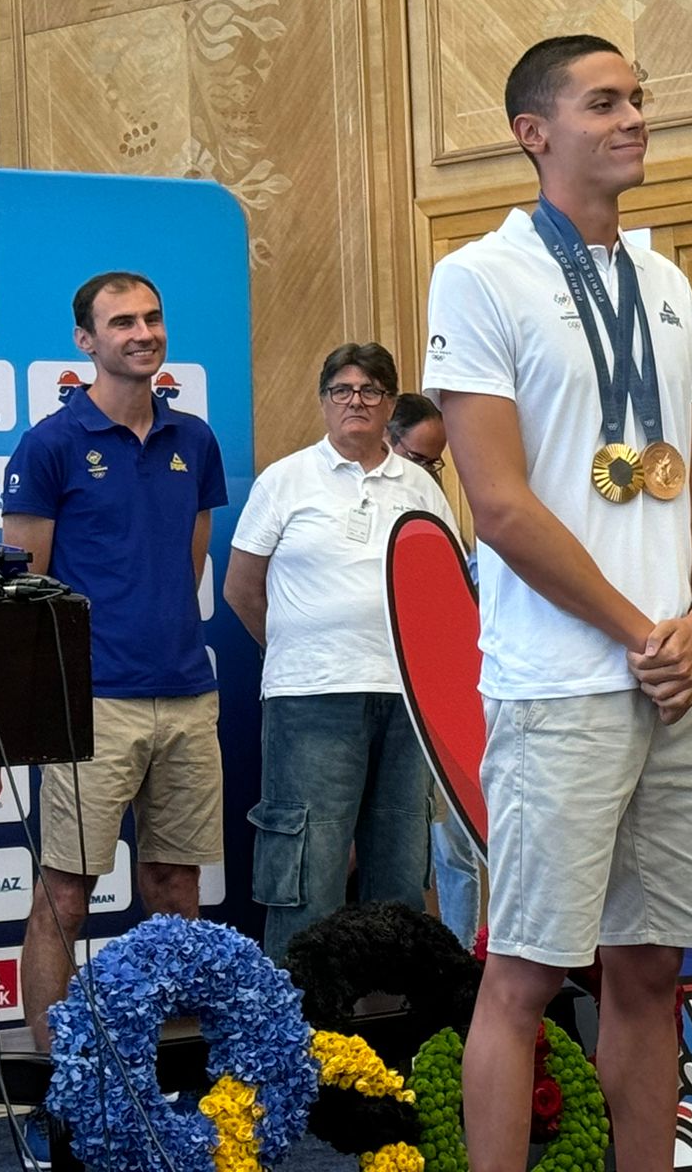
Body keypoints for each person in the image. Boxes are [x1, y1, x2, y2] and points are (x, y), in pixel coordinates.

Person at [424, 34, 692, 1172]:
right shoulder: (479, 276)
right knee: (526, 973)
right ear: (534, 133)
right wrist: (640, 631)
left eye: (638, 99)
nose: (634, 118)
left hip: (684, 679)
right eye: (603, 103)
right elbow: (500, 506)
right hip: (562, 683)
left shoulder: (665, 281)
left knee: (652, 970)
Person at [2, 272, 227, 1162]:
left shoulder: (194, 439)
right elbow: (26, 589)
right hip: (91, 703)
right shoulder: (50, 444)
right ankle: (58, 1093)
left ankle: (166, 1081)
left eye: (153, 317)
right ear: (85, 341)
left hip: (188, 692)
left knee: (176, 888)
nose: (143, 333)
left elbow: (188, 562)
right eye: (122, 322)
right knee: (65, 894)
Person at [225, 345, 457, 960]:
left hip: (407, 705)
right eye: (342, 390)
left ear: (390, 404)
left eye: (371, 390)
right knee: (308, 874)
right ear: (324, 401)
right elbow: (241, 588)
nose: (356, 401)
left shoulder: (423, 488)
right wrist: (301, 650)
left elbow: (445, 594)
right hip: (310, 700)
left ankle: (394, 1015)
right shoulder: (285, 480)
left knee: (401, 876)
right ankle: (295, 1017)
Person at [387, 390, 484, 945]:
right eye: (418, 459)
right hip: (372, 692)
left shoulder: (443, 518)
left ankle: (461, 957)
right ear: (388, 439)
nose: (428, 473)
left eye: (436, 463)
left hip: (444, 703)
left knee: (455, 843)